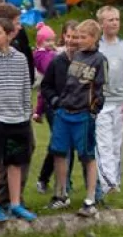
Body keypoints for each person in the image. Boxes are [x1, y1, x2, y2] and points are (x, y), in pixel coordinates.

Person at [0, 17, 36, 222]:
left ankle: (15, 204)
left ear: (10, 35)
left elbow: (25, 88)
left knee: (15, 164)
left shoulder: (20, 59)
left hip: (18, 119)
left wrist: (26, 113)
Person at [48, 20, 108, 218]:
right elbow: (69, 84)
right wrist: (60, 103)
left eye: (83, 37)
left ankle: (90, 199)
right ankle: (61, 194)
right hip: (64, 112)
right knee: (58, 151)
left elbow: (101, 88)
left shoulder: (100, 60)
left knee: (87, 156)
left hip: (83, 115)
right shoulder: (77, 56)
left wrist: (93, 110)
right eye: (77, 36)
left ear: (94, 38)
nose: (79, 41)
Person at [95, 6, 123, 202]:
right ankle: (107, 183)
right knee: (103, 144)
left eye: (117, 19)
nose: (114, 23)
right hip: (101, 103)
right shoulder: (96, 46)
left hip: (120, 102)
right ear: (101, 23)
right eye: (110, 20)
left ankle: (115, 183)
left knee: (116, 144)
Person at [39, 21, 80, 208]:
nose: (71, 40)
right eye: (68, 36)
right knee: (61, 149)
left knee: (84, 152)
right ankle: (61, 190)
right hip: (60, 112)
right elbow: (46, 86)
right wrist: (55, 101)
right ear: (64, 37)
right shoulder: (57, 61)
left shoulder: (88, 61)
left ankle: (92, 193)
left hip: (82, 113)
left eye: (75, 37)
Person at [31, 22, 63, 196]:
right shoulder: (43, 56)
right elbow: (50, 72)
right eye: (47, 41)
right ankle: (44, 178)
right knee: (57, 142)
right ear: (40, 42)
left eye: (52, 40)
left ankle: (54, 180)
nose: (51, 43)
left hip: (51, 101)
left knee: (59, 143)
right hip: (51, 102)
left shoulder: (50, 54)